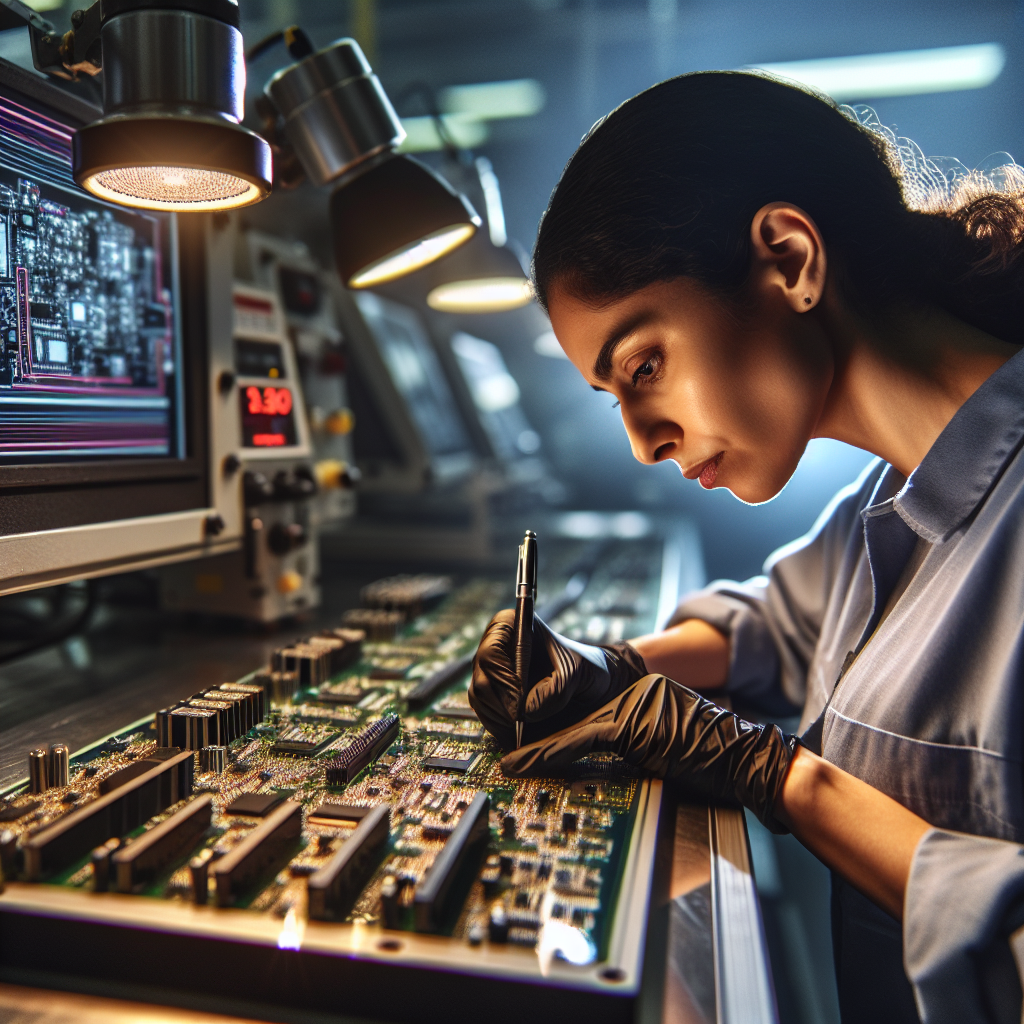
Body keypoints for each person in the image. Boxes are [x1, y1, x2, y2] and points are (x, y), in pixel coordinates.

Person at [468, 72, 1024, 1024]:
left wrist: (780, 779)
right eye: (616, 397)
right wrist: (609, 671)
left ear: (789, 258)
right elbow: (773, 623)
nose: (645, 442)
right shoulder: (883, 497)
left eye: (644, 365)